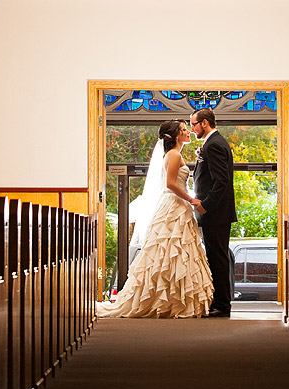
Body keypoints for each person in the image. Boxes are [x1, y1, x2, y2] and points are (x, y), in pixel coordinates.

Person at [96, 120, 213, 318]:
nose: (188, 133)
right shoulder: (174, 154)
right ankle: (169, 300)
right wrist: (191, 199)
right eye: (185, 130)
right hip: (175, 204)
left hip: (176, 205)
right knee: (172, 250)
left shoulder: (173, 154)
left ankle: (169, 298)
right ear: (176, 136)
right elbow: (170, 184)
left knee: (172, 252)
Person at [190, 106, 236, 317]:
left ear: (205, 123)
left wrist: (205, 204)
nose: (192, 129)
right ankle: (219, 302)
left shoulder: (215, 145)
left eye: (194, 125)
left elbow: (221, 181)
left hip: (215, 213)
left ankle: (222, 305)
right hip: (214, 212)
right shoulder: (213, 143)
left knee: (218, 258)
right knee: (216, 256)